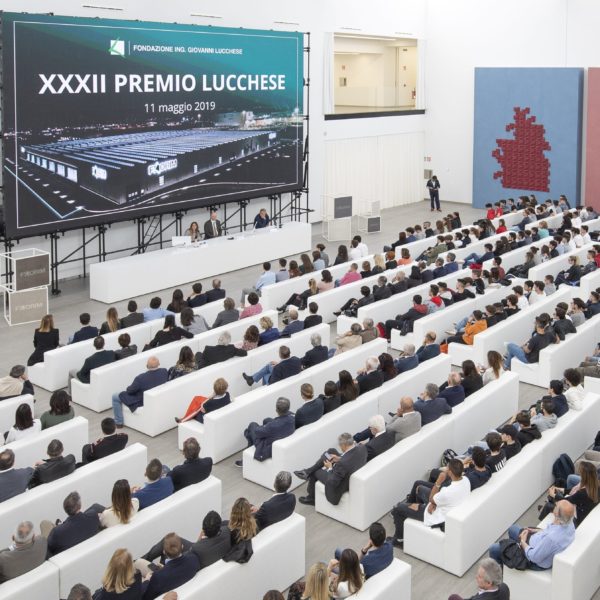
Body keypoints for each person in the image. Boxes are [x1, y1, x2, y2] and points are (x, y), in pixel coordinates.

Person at [390, 458, 470, 547]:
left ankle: (399, 540)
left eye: (447, 468)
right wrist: (433, 503)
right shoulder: (465, 480)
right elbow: (435, 499)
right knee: (419, 488)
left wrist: (438, 481)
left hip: (435, 514)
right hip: (443, 505)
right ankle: (414, 512)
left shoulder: (447, 492)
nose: (446, 469)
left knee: (398, 508)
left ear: (450, 472)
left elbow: (432, 498)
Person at [488, 500, 576, 569]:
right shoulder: (569, 523)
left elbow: (534, 557)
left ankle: (498, 580)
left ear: (557, 513)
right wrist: (536, 531)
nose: (555, 505)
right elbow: (550, 531)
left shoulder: (552, 539)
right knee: (512, 528)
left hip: (531, 558)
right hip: (536, 543)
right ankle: (513, 549)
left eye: (556, 506)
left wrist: (523, 541)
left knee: (493, 549)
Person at [141, 510, 231, 571]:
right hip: (209, 548)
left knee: (168, 542)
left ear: (203, 529)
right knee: (171, 541)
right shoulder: (227, 531)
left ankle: (144, 562)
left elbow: (186, 556)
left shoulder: (196, 548)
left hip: (198, 556)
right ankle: (144, 561)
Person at [295, 432, 368, 506]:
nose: (340, 447)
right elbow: (351, 459)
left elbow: (332, 482)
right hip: (348, 469)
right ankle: (307, 472)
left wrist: (330, 468)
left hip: (340, 484)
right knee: (331, 451)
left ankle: (311, 498)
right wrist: (339, 458)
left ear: (344, 445)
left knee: (316, 472)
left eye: (340, 445)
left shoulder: (342, 464)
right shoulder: (362, 448)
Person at [136, 533, 199, 599]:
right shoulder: (193, 559)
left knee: (137, 563)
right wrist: (164, 568)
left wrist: (146, 581)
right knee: (138, 563)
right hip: (169, 577)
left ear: (164, 552)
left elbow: (145, 597)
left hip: (160, 582)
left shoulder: (158, 577)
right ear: (182, 546)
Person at [112, 357, 169, 428]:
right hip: (157, 398)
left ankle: (118, 422)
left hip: (141, 400)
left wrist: (128, 388)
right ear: (159, 364)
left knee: (115, 396)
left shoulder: (140, 378)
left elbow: (130, 391)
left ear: (147, 366)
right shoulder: (164, 371)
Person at [538, 461, 599, 527]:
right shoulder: (594, 485)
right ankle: (546, 508)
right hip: (582, 508)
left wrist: (553, 495)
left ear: (584, 476)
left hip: (576, 518)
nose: (579, 474)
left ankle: (541, 524)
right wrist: (562, 490)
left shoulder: (582, 493)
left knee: (548, 505)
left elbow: (566, 501)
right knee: (556, 495)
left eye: (580, 473)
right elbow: (574, 496)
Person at [237, 397, 295, 465]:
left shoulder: (272, 426)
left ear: (276, 410)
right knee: (266, 420)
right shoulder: (292, 416)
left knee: (252, 426)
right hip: (281, 433)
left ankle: (245, 461)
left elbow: (257, 432)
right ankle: (249, 441)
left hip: (267, 446)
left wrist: (264, 427)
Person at [42, 491, 101, 556]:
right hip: (89, 550)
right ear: (80, 505)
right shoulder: (93, 516)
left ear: (65, 509)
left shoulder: (57, 532)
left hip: (64, 555)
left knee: (45, 524)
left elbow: (48, 549)